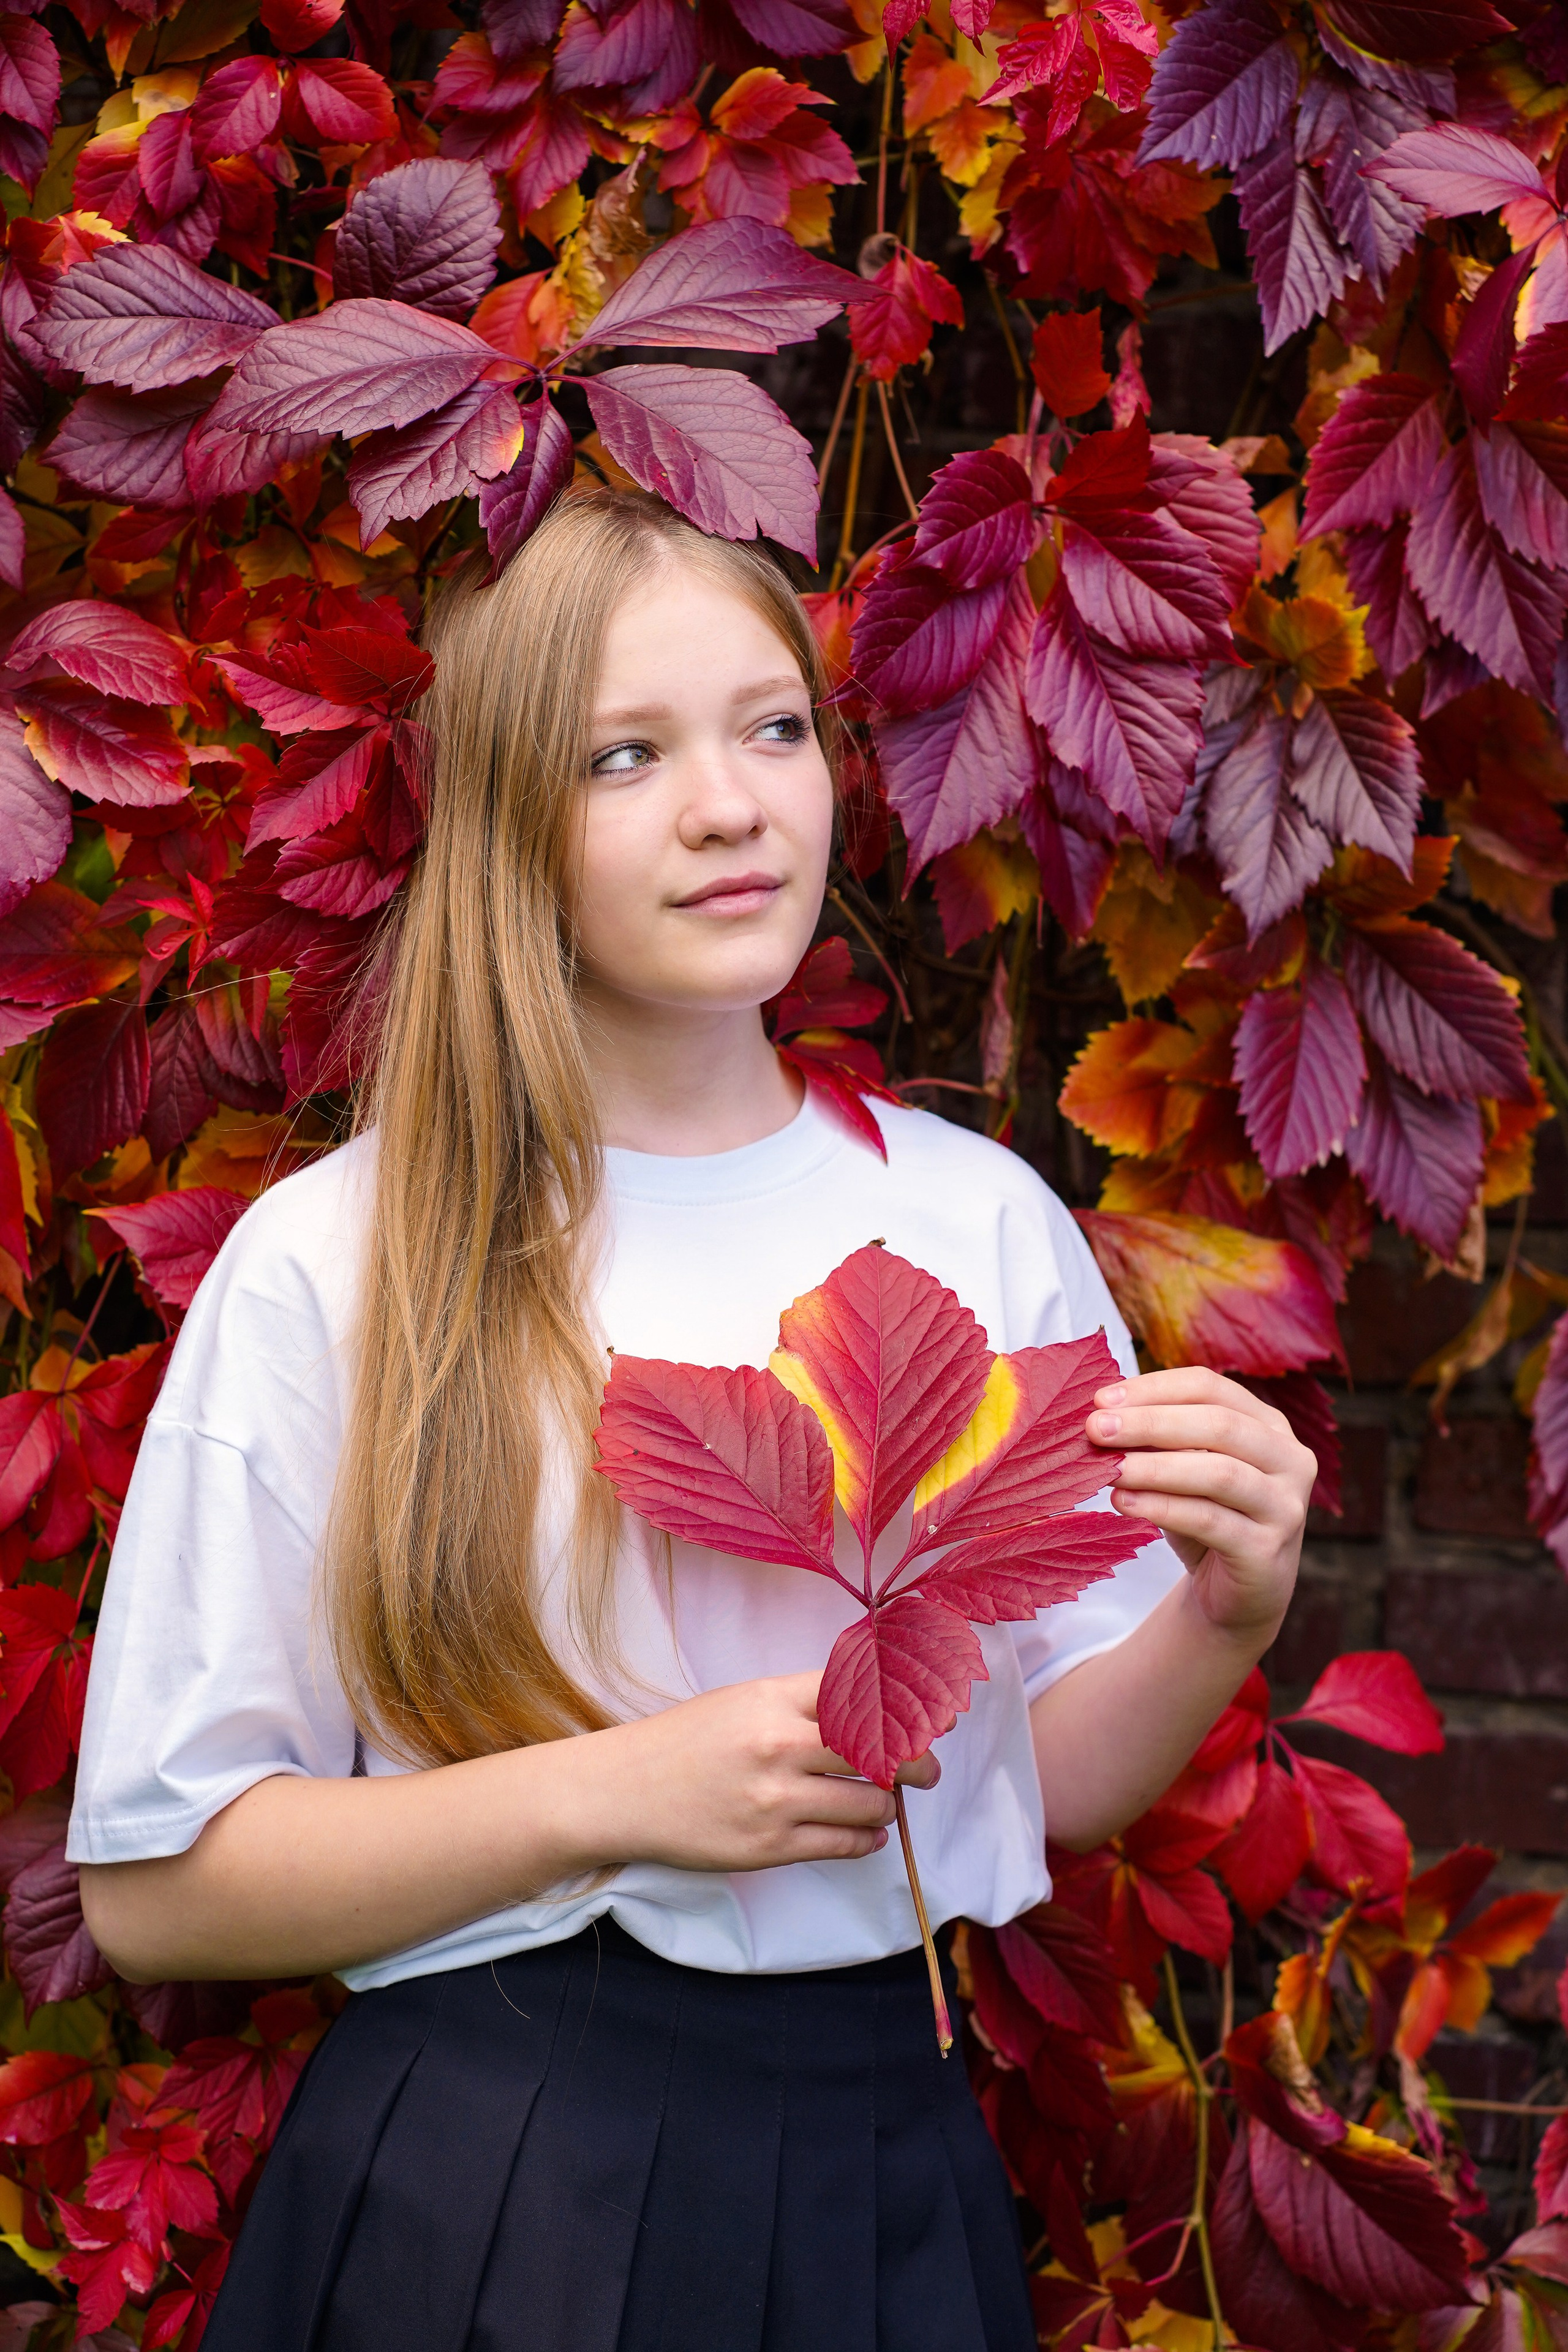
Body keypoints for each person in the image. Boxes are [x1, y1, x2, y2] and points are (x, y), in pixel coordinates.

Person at [70, 489, 1314, 2352]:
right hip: (493, 2185)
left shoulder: (973, 1219)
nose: (730, 806)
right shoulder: (346, 1260)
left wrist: (1232, 1616)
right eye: (623, 755)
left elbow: (1022, 1790)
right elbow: (160, 1888)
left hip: (886, 2152)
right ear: (507, 824)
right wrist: (619, 1798)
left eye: (774, 726)